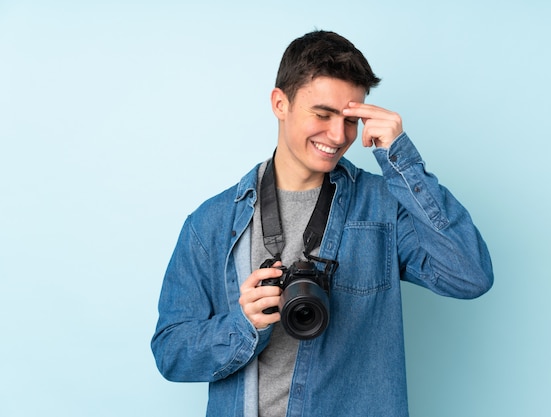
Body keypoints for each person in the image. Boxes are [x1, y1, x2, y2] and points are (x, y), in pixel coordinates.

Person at [151, 30, 493, 417]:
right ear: (280, 103)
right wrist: (242, 325)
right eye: (323, 114)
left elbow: (470, 276)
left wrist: (401, 159)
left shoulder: (383, 206)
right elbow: (170, 354)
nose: (338, 135)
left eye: (350, 120)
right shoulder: (211, 223)